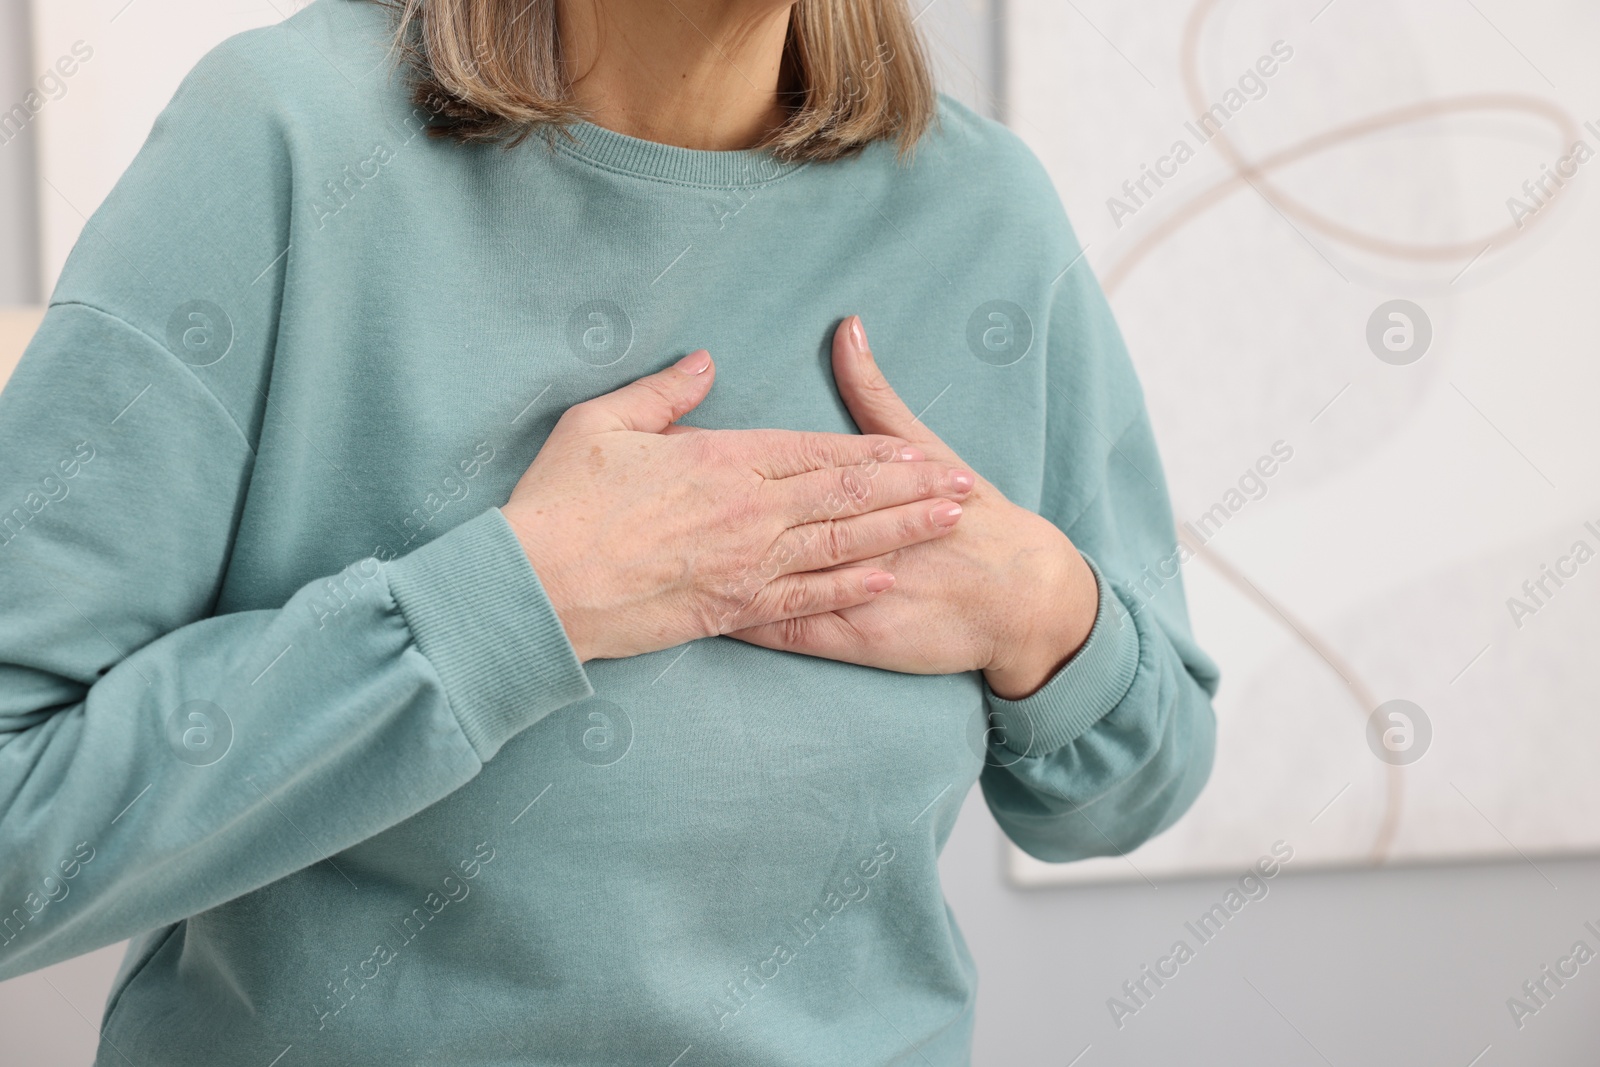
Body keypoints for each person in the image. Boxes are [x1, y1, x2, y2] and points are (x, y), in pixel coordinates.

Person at [0, 0, 1219, 1062]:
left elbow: (1131, 782)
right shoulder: (283, 137)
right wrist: (519, 604)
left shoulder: (983, 214)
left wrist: (1044, 610)